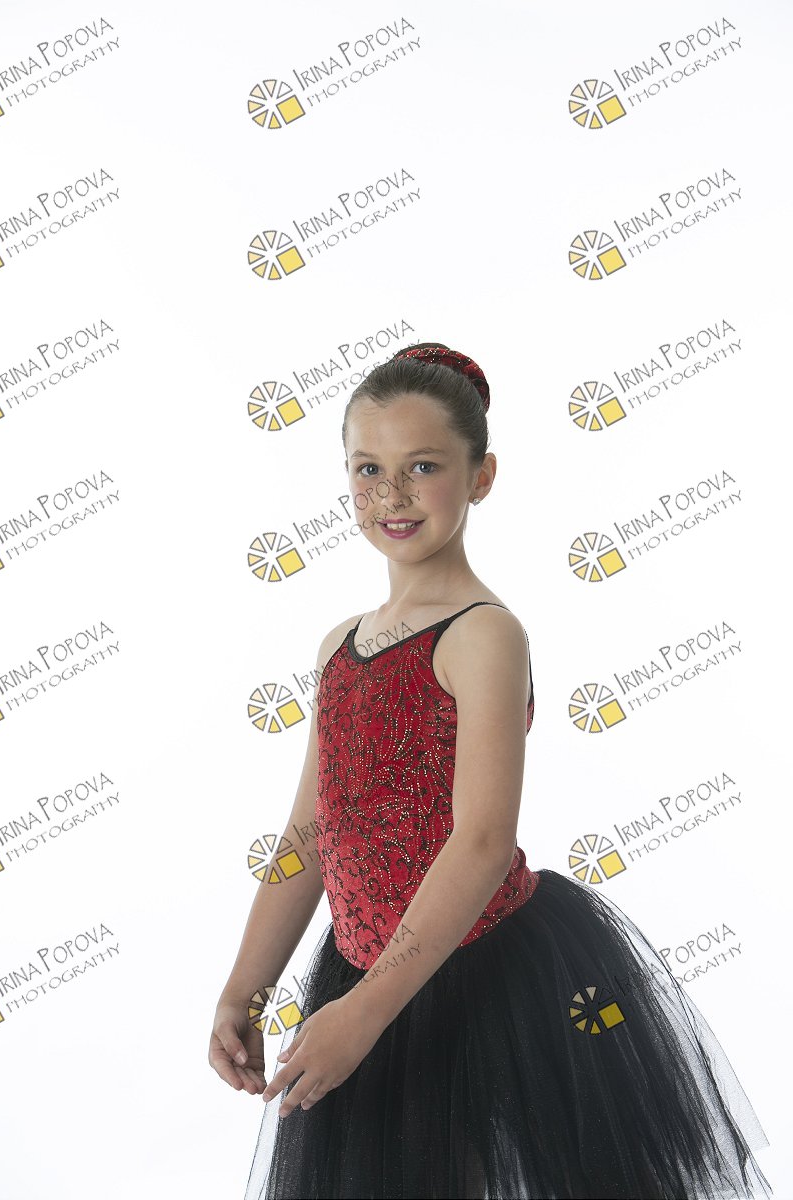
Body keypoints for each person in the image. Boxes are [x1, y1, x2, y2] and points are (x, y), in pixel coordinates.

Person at [211, 343, 774, 1199]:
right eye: (369, 469)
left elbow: (480, 841)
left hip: (483, 979)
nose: (392, 494)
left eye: (423, 466)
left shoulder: (482, 634)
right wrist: (244, 989)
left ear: (481, 477)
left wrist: (364, 1014)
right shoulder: (339, 646)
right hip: (361, 972)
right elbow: (310, 833)